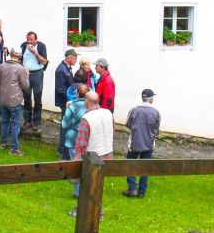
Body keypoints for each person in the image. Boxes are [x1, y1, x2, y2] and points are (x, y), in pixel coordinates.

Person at [69, 91, 115, 219]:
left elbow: (81, 141)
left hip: (92, 156)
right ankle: (98, 212)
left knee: (86, 184)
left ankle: (82, 210)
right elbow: (113, 130)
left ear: (86, 102)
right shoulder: (108, 113)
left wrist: (76, 157)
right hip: (107, 154)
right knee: (98, 184)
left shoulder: (87, 118)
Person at [123, 89, 161, 198]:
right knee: (145, 167)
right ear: (151, 99)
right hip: (149, 143)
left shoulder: (134, 110)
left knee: (130, 165)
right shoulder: (156, 112)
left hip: (134, 142)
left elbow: (127, 123)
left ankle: (132, 189)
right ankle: (142, 191)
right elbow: (157, 129)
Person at [0, 49, 29, 156]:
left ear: (11, 54)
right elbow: (25, 86)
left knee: (4, 121)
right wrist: (27, 75)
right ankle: (14, 148)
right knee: (15, 124)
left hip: (3, 98)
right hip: (15, 100)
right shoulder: (20, 68)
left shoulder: (1, 66)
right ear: (20, 56)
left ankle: (3, 143)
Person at [62, 83, 90, 196]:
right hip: (88, 138)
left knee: (76, 162)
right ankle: (86, 189)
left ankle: (78, 192)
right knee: (87, 163)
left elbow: (65, 124)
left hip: (74, 137)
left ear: (77, 94)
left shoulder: (73, 106)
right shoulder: (92, 106)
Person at [20, 31, 48, 131]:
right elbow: (20, 58)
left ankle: (36, 122)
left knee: (37, 97)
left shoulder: (41, 46)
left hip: (37, 74)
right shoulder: (23, 46)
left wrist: (35, 52)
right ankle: (27, 121)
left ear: (36, 39)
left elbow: (44, 61)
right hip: (26, 74)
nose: (29, 41)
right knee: (26, 98)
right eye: (28, 39)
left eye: (31, 40)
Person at [54, 49, 78, 150]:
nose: (76, 60)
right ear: (69, 58)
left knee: (67, 124)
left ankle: (65, 146)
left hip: (67, 101)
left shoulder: (67, 68)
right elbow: (60, 89)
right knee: (65, 125)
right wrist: (72, 98)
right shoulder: (61, 69)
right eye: (75, 58)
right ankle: (62, 148)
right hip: (65, 102)